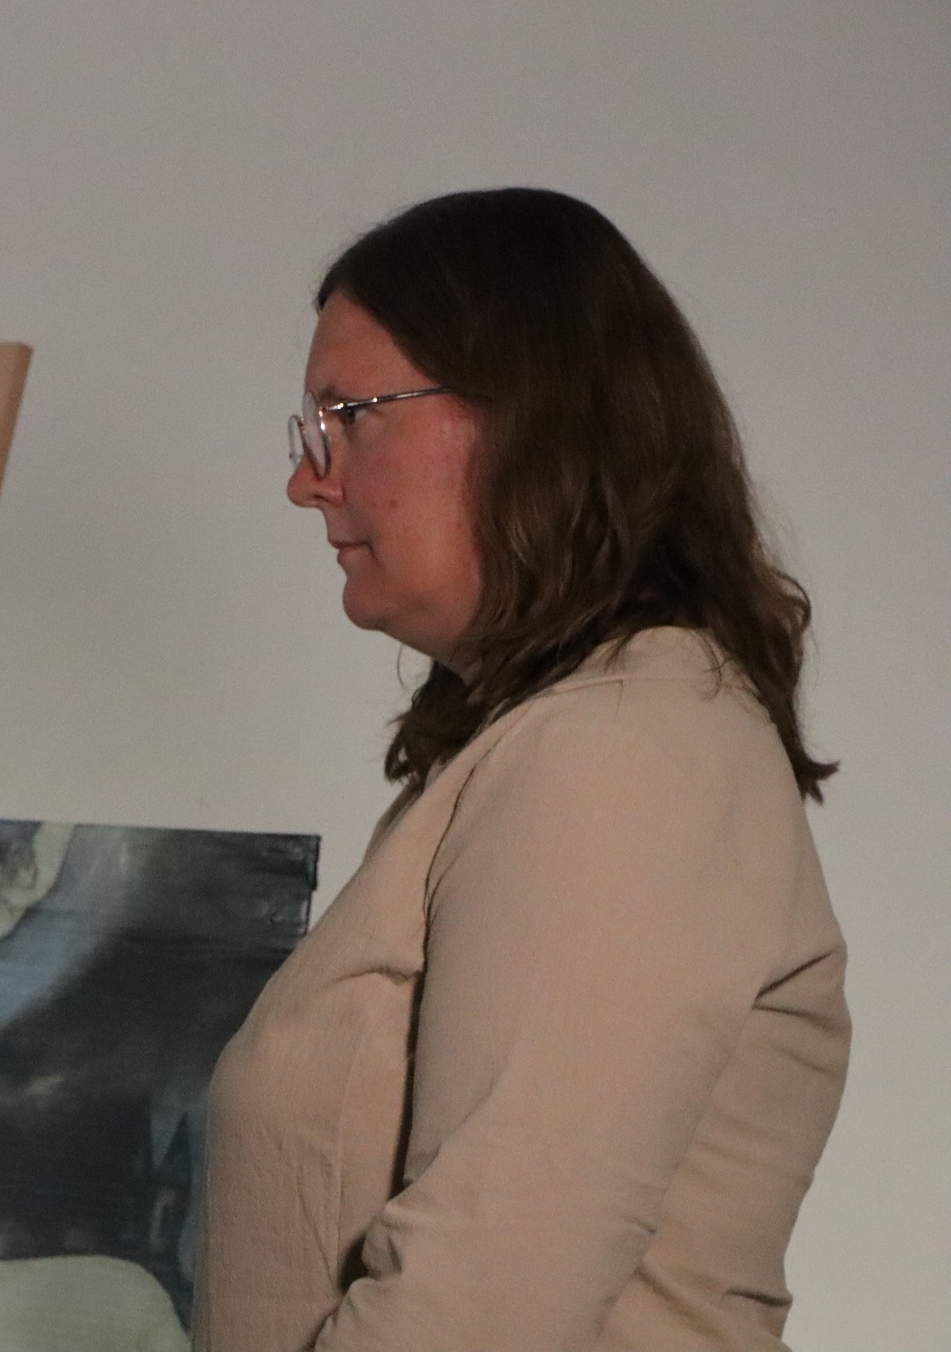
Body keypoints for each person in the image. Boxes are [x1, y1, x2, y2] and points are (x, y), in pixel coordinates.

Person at [195, 189, 849, 1351]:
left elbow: (480, 1299)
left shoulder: (620, 753)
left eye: (350, 416)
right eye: (309, 429)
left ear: (531, 416)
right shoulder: (576, 738)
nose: (309, 478)